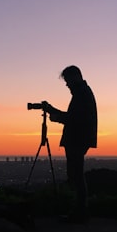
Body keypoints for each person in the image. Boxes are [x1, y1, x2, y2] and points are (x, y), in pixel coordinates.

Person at [42, 66, 97, 222]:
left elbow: (74, 119)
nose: (67, 85)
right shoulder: (83, 92)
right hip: (79, 138)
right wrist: (54, 111)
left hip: (77, 139)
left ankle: (80, 212)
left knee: (76, 175)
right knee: (75, 174)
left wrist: (56, 115)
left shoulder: (82, 94)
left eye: (67, 81)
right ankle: (80, 211)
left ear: (75, 77)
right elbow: (74, 117)